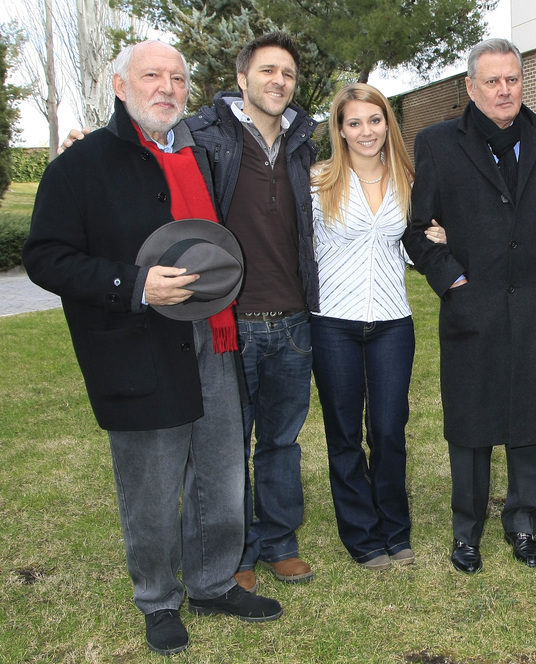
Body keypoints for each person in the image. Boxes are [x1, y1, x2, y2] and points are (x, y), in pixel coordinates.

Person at [22, 40, 282, 657]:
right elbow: (45, 257)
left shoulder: (199, 153)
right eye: (151, 76)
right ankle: (158, 599)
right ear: (120, 85)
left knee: (221, 472)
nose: (166, 87)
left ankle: (215, 581)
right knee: (152, 483)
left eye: (177, 77)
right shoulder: (80, 165)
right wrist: (133, 284)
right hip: (136, 343)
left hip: (213, 335)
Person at [402, 37, 536, 574]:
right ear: (470, 86)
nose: (504, 90)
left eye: (511, 79)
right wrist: (452, 279)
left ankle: (523, 523)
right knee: (471, 424)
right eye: (492, 81)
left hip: (533, 305)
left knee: (529, 420)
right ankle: (467, 532)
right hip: (471, 306)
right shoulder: (437, 143)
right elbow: (418, 232)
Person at [185, 32, 319, 589]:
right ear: (242, 79)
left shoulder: (303, 142)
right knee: (227, 443)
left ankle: (279, 541)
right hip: (229, 320)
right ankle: (236, 551)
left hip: (292, 321)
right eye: (267, 71)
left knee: (281, 442)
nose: (278, 82)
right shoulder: (204, 137)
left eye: (286, 73)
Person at [308, 83, 416, 571]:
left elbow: (413, 248)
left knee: (390, 429)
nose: (366, 131)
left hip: (393, 322)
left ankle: (396, 529)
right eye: (354, 122)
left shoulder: (409, 178)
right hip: (332, 323)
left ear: (386, 123)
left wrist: (438, 234)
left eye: (374, 120)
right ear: (340, 129)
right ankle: (362, 536)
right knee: (345, 433)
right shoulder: (316, 182)